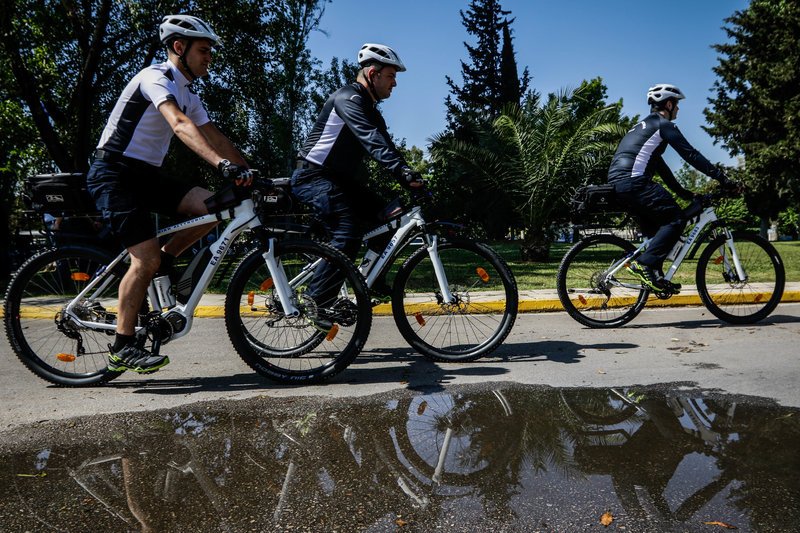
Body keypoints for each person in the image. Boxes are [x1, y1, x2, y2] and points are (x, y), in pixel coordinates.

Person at [87, 14, 252, 374]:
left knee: (213, 206)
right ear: (180, 47)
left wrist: (251, 173)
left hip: (146, 175)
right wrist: (223, 166)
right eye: (204, 50)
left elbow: (215, 136)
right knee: (142, 260)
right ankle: (122, 346)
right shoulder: (155, 78)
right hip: (113, 173)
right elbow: (180, 125)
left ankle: (167, 257)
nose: (210, 57)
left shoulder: (187, 91)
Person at [291, 43, 424, 325]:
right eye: (391, 76)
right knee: (347, 233)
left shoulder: (369, 107)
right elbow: (371, 140)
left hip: (338, 181)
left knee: (389, 217)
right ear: (373, 73)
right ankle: (316, 301)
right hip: (313, 177)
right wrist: (402, 172)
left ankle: (368, 280)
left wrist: (410, 176)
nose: (395, 83)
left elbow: (386, 144)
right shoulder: (348, 98)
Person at [607, 83, 736, 293]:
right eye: (677, 105)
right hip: (635, 182)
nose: (678, 109)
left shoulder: (643, 127)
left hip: (619, 185)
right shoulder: (663, 125)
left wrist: (685, 193)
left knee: (659, 235)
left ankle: (655, 276)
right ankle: (645, 264)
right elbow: (691, 154)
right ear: (668, 104)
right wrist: (723, 179)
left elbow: (662, 168)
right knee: (676, 219)